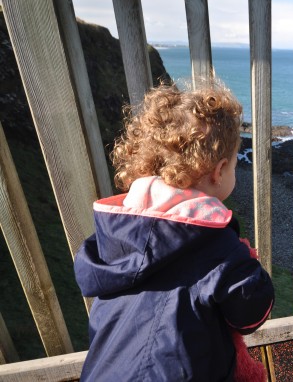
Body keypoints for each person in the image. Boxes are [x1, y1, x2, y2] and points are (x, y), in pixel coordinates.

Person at [74, 82, 274, 381]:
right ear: (219, 171)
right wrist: (247, 263)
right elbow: (250, 315)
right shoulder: (220, 247)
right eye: (234, 165)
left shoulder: (116, 233)